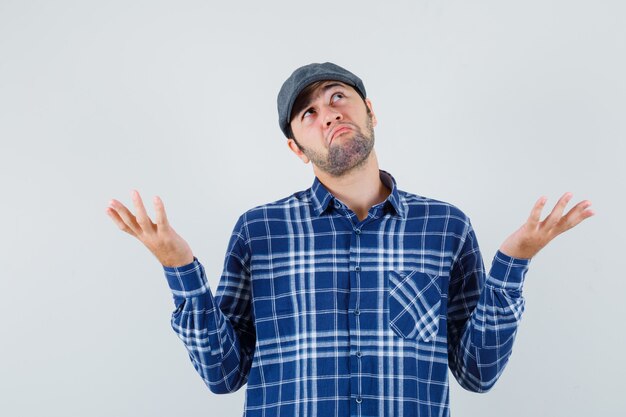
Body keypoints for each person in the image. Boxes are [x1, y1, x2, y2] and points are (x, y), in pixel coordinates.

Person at [105, 62, 594, 417]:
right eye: (309, 113)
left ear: (370, 111)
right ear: (297, 149)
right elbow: (223, 376)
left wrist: (515, 260)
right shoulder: (258, 232)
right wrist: (179, 269)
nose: (329, 114)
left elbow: (478, 374)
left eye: (338, 96)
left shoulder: (446, 227)